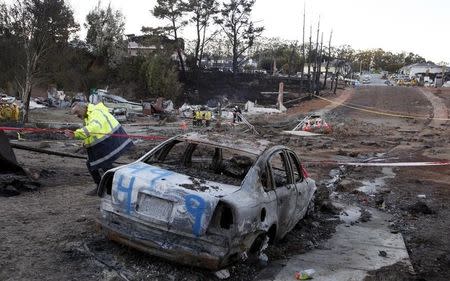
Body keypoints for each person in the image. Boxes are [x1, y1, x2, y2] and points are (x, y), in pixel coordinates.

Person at [65, 102, 133, 195]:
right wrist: (85, 142)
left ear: (83, 108)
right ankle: (105, 187)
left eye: (77, 112)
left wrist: (76, 134)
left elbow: (94, 127)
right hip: (106, 141)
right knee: (94, 164)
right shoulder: (88, 115)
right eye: (75, 114)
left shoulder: (95, 113)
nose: (77, 115)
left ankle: (116, 186)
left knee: (104, 165)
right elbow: (91, 131)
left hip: (110, 140)